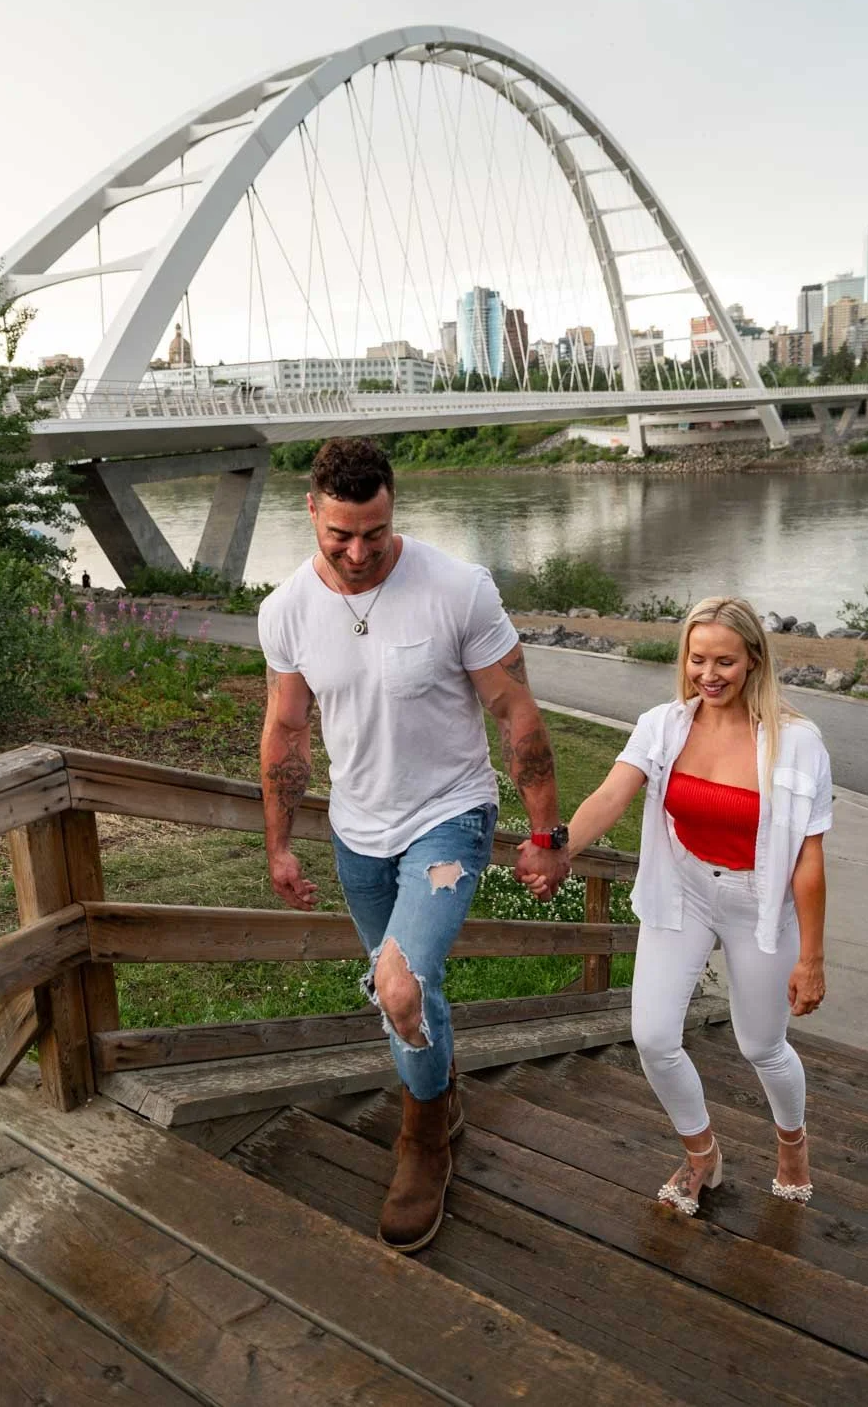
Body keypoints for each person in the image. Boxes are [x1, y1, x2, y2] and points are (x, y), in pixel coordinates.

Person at [257, 437, 570, 1252]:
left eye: (377, 533)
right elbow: (288, 731)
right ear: (312, 514)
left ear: (394, 507)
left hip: (451, 815)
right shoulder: (285, 610)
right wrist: (280, 846)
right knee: (414, 995)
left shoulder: (458, 590)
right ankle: (444, 1092)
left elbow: (517, 714)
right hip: (358, 832)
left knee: (398, 985)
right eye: (340, 537)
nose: (360, 554)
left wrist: (546, 834)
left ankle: (422, 1141)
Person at [563, 596, 831, 1215]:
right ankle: (702, 1155)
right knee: (652, 1036)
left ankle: (792, 1142)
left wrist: (811, 958)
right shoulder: (663, 724)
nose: (709, 675)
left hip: (758, 902)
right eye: (697, 658)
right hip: (681, 888)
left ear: (754, 661)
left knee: (761, 1045)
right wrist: (559, 847)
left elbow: (808, 862)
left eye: (726, 662)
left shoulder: (797, 744)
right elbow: (611, 794)